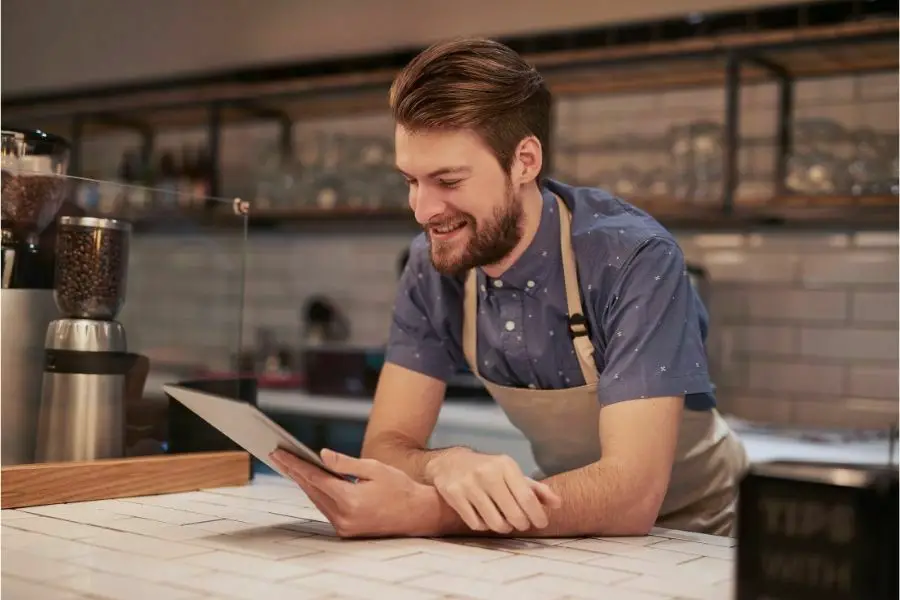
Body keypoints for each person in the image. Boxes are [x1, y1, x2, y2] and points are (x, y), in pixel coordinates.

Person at [270, 37, 749, 539]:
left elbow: (632, 495)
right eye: (410, 180)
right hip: (564, 521)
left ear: (524, 161)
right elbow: (385, 446)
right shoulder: (431, 266)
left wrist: (433, 512)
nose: (423, 210)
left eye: (448, 181)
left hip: (703, 534)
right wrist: (446, 464)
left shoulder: (633, 259)